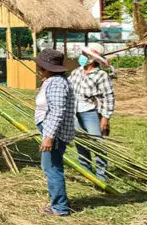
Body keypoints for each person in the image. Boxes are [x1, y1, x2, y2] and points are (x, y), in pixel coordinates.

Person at [34, 49, 76, 217]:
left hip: (54, 133)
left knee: (52, 168)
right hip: (50, 130)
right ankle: (57, 201)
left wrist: (49, 137)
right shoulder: (51, 81)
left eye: (40, 67)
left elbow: (57, 111)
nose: (38, 69)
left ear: (46, 68)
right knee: (50, 167)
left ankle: (59, 208)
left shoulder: (57, 83)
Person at [68, 44, 115, 181]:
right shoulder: (76, 72)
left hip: (90, 112)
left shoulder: (101, 75)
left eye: (85, 54)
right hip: (75, 113)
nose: (81, 56)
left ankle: (101, 174)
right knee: (81, 143)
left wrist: (105, 118)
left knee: (97, 144)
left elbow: (108, 97)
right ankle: (86, 171)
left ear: (92, 59)